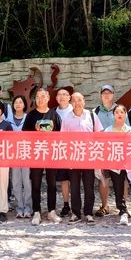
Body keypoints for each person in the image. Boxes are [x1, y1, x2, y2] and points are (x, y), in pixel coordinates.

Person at [103, 105, 131, 229]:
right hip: (115, 164)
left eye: (122, 112)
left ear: (125, 115)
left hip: (130, 164)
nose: (119, 114)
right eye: (117, 112)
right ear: (113, 115)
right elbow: (105, 147)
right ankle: (123, 212)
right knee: (118, 188)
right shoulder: (108, 130)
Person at [61, 92, 103, 225]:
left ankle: (89, 213)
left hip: (89, 158)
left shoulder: (91, 115)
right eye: (74, 101)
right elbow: (63, 138)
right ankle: (76, 213)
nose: (77, 103)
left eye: (79, 100)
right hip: (73, 157)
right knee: (74, 187)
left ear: (84, 101)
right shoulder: (67, 118)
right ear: (71, 103)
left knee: (89, 186)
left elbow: (99, 135)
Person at [22, 88, 62, 225]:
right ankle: (36, 211)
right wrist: (36, 132)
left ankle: (51, 211)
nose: (40, 99)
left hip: (50, 153)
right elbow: (25, 134)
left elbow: (60, 134)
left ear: (48, 98)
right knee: (36, 183)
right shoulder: (31, 115)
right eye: (38, 97)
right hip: (36, 153)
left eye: (43, 96)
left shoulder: (54, 114)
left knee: (52, 184)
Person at [93, 85, 118, 218]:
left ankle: (122, 207)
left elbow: (127, 128)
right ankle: (104, 206)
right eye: (104, 93)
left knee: (121, 180)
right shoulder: (95, 112)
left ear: (113, 95)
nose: (107, 95)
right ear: (100, 95)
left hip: (117, 149)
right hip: (101, 150)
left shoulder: (120, 110)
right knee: (103, 178)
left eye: (109, 93)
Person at [10, 95, 32, 219]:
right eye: (16, 102)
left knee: (27, 181)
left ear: (24, 105)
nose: (18, 104)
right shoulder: (8, 119)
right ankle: (19, 207)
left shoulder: (28, 118)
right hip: (13, 154)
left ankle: (28, 207)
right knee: (16, 181)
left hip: (26, 153)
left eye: (20, 102)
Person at [55, 88, 73, 217]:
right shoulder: (52, 112)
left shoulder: (75, 111)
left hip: (75, 149)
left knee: (75, 179)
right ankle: (66, 204)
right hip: (60, 150)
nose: (62, 97)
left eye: (64, 94)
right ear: (56, 98)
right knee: (64, 179)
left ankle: (77, 204)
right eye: (59, 95)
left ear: (69, 97)